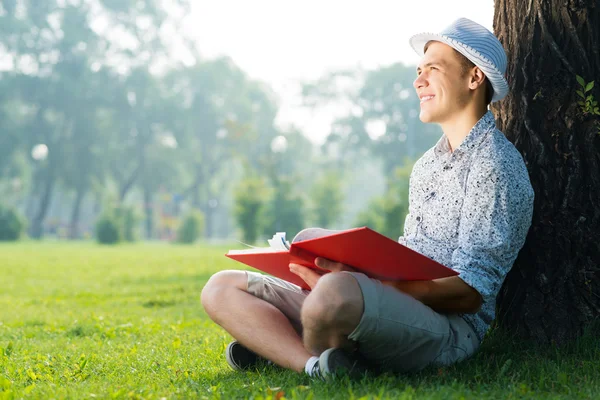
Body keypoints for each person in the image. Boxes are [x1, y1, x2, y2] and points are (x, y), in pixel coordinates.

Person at [200, 17, 534, 379]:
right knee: (222, 286)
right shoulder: (427, 167)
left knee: (334, 293)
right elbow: (412, 253)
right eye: (418, 71)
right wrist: (359, 270)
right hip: (391, 302)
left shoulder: (496, 166)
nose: (417, 81)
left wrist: (376, 285)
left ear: (474, 78)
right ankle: (314, 364)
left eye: (433, 69)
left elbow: (470, 294)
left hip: (448, 329)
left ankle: (278, 341)